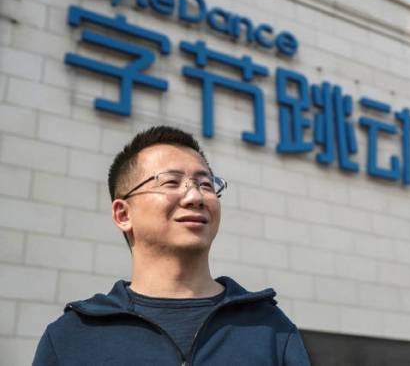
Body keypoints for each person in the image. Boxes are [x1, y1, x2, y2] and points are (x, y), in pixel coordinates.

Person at [33, 125, 311, 365]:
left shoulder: (270, 328)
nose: (195, 196)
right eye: (170, 182)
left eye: (205, 184)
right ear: (123, 214)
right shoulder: (71, 337)